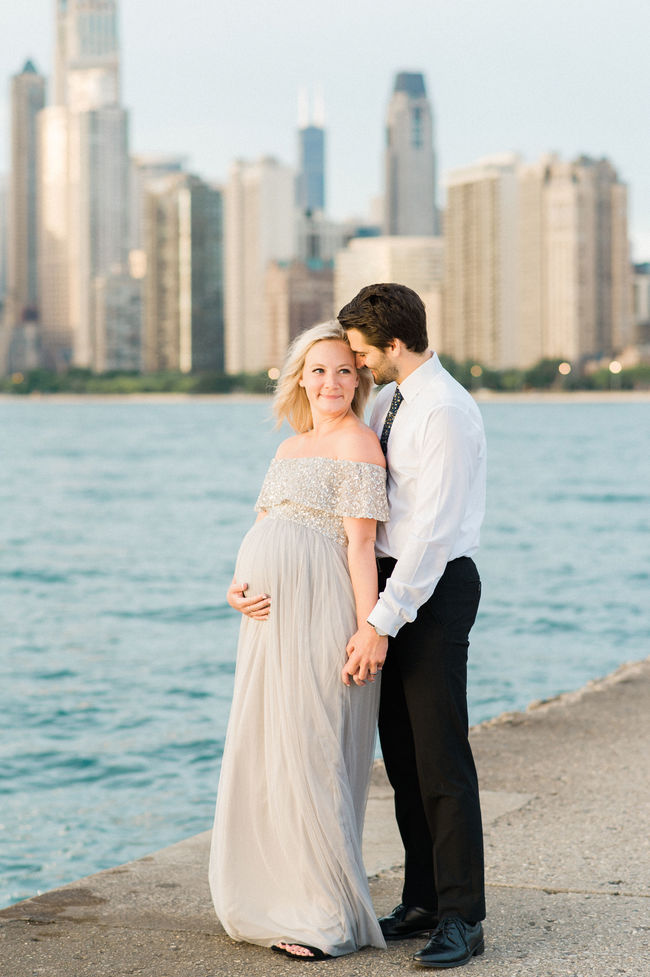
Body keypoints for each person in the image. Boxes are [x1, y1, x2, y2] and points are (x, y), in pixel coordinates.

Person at [209, 321, 388, 961]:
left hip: (321, 614)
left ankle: (325, 917)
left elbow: (362, 548)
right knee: (270, 744)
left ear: (360, 378)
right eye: (319, 370)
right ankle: (277, 894)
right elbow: (263, 527)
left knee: (311, 748)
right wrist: (236, 584)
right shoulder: (289, 448)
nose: (331, 381)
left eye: (344, 370)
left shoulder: (361, 444)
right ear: (300, 379)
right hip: (266, 621)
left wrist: (371, 630)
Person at [337, 283, 487, 970]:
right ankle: (423, 898)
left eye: (364, 351)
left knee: (440, 759)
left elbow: (431, 533)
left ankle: (463, 915)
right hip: (395, 584)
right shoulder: (396, 398)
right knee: (401, 755)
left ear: (393, 341)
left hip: (430, 588)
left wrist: (382, 621)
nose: (359, 363)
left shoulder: (445, 410)